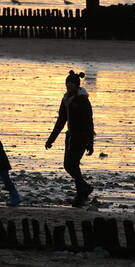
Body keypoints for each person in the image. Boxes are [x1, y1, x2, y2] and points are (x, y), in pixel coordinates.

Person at [44, 69, 95, 206]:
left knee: (71, 165)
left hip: (82, 137)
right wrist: (51, 139)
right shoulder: (66, 99)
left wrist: (90, 143)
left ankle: (81, 194)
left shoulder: (83, 100)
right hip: (70, 137)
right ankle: (84, 189)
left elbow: (89, 122)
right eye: (67, 84)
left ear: (77, 85)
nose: (68, 86)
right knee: (69, 165)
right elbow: (61, 120)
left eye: (71, 84)